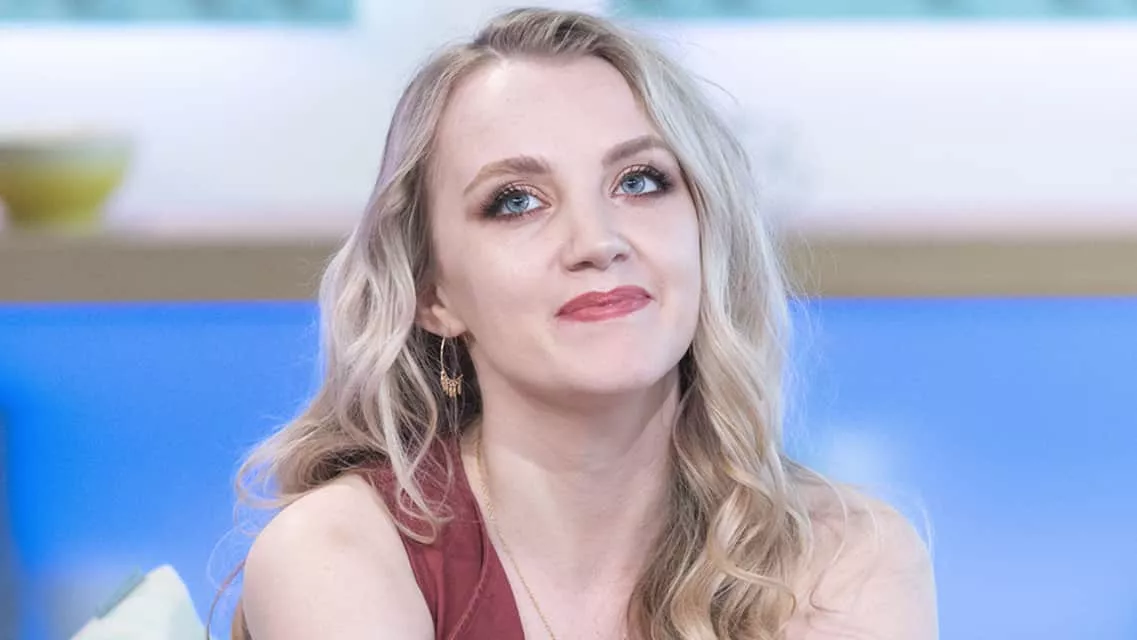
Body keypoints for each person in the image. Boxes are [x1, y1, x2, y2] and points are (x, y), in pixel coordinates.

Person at [219, 7, 937, 640]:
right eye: (515, 201)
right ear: (432, 293)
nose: (597, 240)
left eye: (639, 181)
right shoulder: (338, 552)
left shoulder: (843, 555)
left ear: (704, 232)